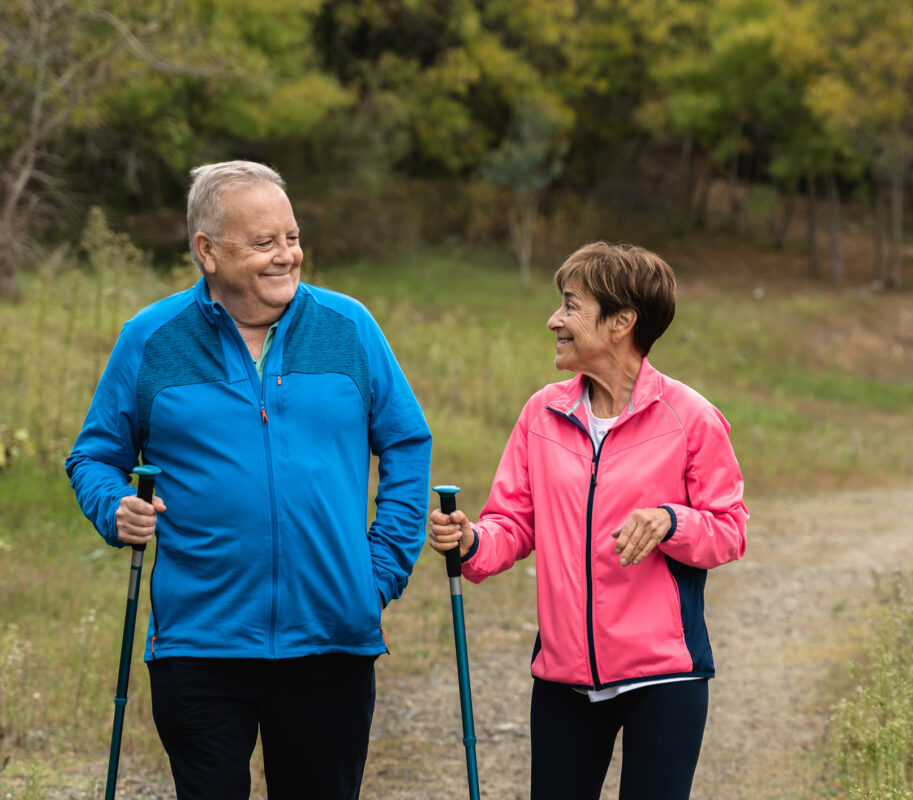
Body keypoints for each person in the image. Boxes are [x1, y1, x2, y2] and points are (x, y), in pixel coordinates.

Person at [65, 160, 432, 800]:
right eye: (264, 243)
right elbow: (94, 455)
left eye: (291, 238)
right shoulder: (150, 340)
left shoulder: (348, 328)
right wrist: (114, 504)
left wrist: (378, 572)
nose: (286, 256)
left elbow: (405, 443)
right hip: (199, 645)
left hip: (331, 641)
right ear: (207, 251)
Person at [428, 241, 749, 800]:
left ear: (623, 321)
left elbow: (730, 529)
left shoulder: (690, 418)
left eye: (571, 306)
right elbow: (513, 522)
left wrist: (672, 522)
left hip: (665, 676)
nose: (555, 320)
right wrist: (473, 539)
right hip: (564, 677)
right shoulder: (542, 414)